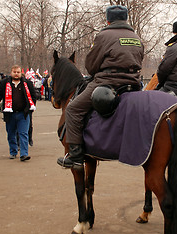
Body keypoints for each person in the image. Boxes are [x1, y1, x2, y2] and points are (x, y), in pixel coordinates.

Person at [57, 5, 144, 168]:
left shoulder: (103, 35)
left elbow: (91, 65)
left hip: (108, 82)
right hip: (133, 84)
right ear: (125, 19)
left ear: (108, 20)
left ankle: (75, 156)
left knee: (73, 109)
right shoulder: (136, 37)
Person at [0, 65, 36, 161]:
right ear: (11, 72)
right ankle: (13, 151)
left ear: (21, 73)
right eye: (14, 72)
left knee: (23, 134)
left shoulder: (27, 83)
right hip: (10, 114)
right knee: (11, 134)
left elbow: (33, 95)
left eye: (18, 72)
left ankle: (24, 154)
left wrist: (31, 108)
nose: (16, 74)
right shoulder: (4, 83)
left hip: (23, 114)